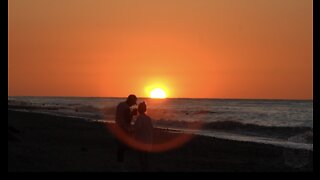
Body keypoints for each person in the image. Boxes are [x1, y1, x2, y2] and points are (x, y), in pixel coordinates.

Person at [115, 94, 137, 163]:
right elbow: (128, 120)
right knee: (124, 146)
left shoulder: (120, 104)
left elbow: (119, 116)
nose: (133, 105)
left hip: (118, 126)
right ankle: (121, 163)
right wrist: (132, 114)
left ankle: (120, 162)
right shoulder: (126, 108)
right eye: (133, 103)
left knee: (121, 147)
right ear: (131, 101)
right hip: (123, 128)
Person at [134, 101, 153, 171]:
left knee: (141, 156)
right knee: (146, 156)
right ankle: (146, 167)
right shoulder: (148, 118)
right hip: (148, 139)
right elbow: (151, 129)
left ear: (139, 109)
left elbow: (137, 128)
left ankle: (143, 168)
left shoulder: (140, 118)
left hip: (141, 140)